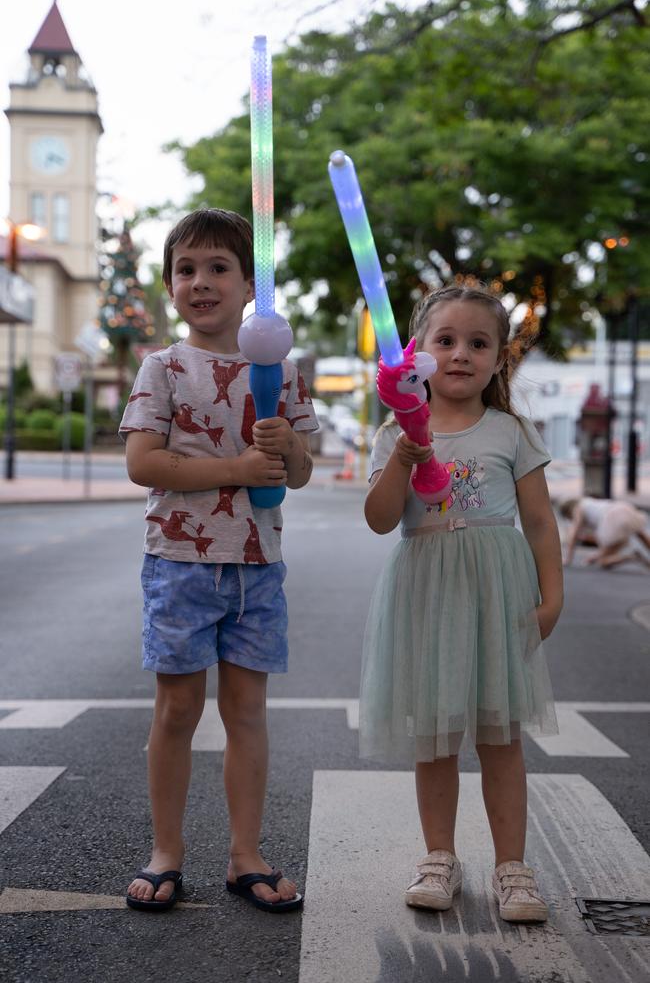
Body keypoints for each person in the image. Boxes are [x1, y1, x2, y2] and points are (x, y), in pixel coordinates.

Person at [119, 208, 318, 913]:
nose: (200, 282)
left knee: (248, 710)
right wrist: (237, 463)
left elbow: (297, 472)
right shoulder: (164, 366)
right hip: (180, 561)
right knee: (177, 709)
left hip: (259, 564)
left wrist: (286, 447)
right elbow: (144, 462)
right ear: (171, 284)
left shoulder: (281, 368)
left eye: (217, 268)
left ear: (248, 286)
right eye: (186, 270)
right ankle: (166, 851)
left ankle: (245, 854)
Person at [361, 284, 563, 923]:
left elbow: (540, 523)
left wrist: (551, 597)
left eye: (479, 343)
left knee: (501, 737)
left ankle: (513, 867)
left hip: (495, 594)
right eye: (445, 341)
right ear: (417, 353)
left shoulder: (511, 432)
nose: (460, 354)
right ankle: (439, 857)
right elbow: (379, 518)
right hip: (427, 594)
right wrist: (402, 457)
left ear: (499, 358)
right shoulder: (396, 431)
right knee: (437, 736)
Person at [560, 496, 650, 569]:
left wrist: (568, 558)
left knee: (603, 561)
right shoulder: (587, 501)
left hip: (612, 519)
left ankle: (632, 556)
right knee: (640, 533)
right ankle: (634, 554)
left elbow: (574, 533)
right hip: (622, 508)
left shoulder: (578, 509)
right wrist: (597, 555)